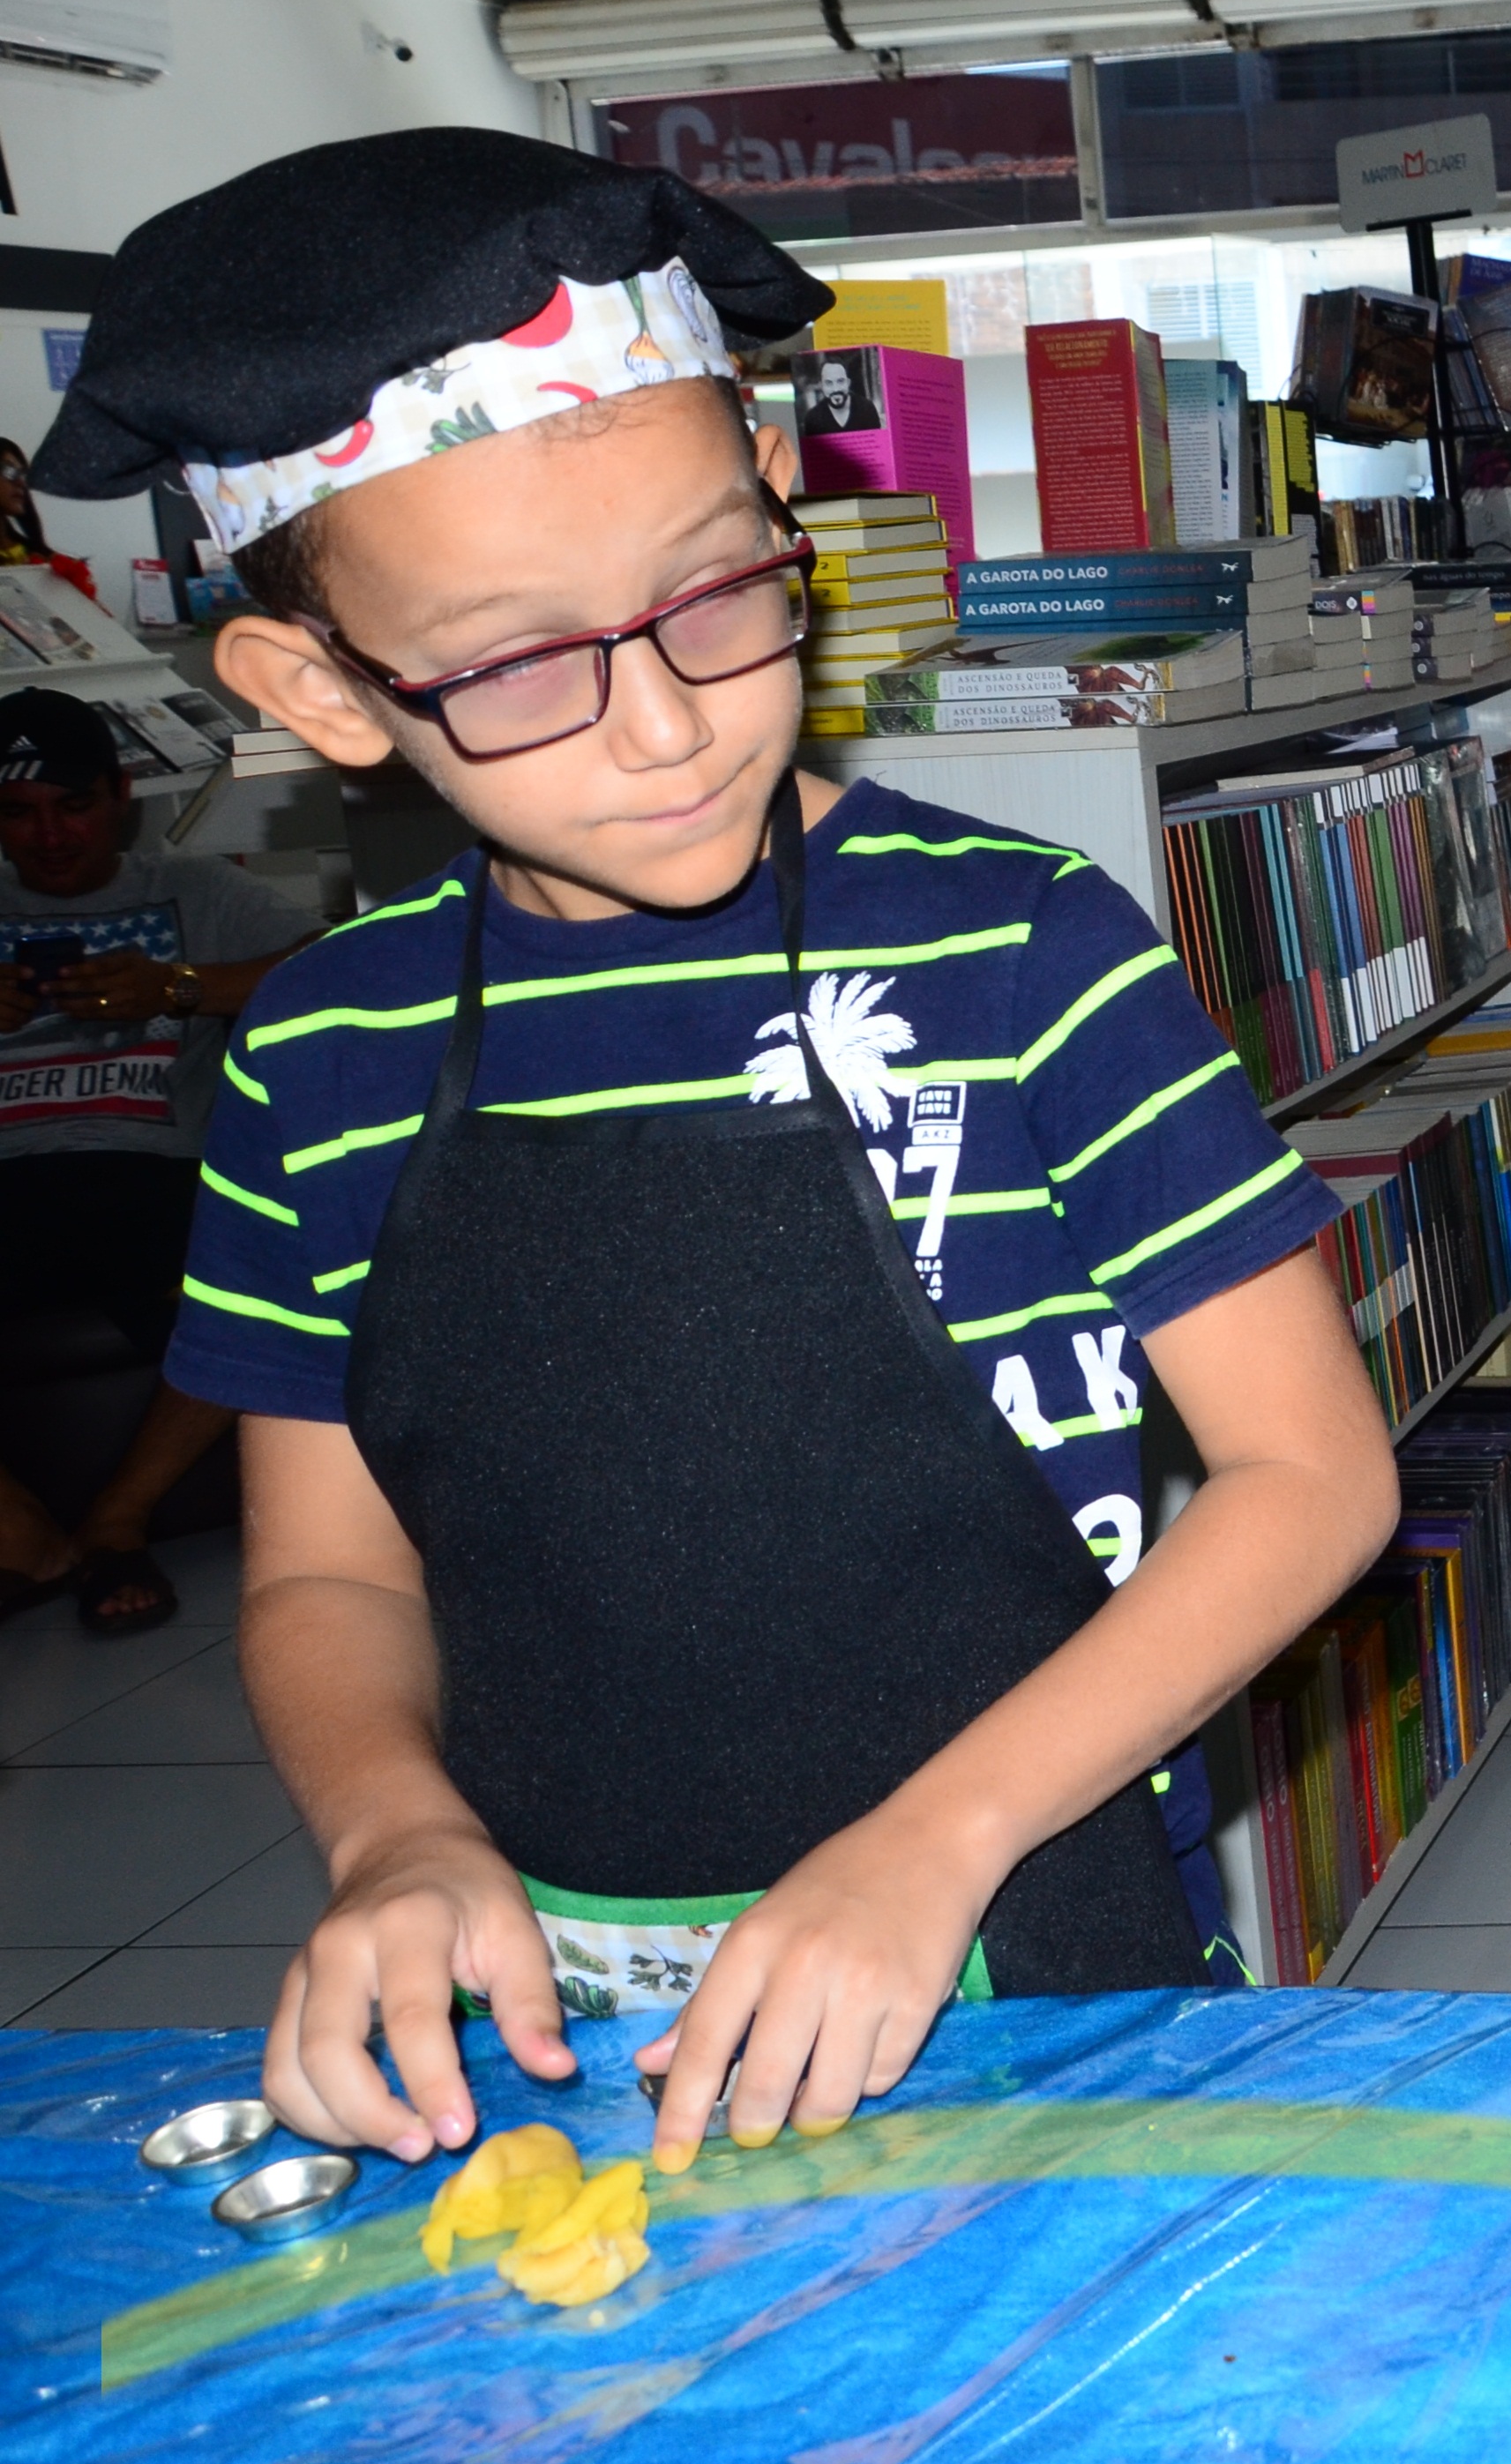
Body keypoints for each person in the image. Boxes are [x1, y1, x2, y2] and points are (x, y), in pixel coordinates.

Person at [33, 131, 1396, 2169]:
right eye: (513, 664)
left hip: (1020, 1933)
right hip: (553, 2007)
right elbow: (323, 1567)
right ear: (318, 689)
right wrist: (393, 1833)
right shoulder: (320, 1051)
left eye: (713, 594)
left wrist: (933, 1840)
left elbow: (1310, 1477)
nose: (666, 724)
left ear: (779, 499)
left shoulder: (1021, 955)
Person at [0, 686, 318, 1631]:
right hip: (11, 1177)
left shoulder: (194, 890)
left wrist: (179, 987)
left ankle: (116, 1519)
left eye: (73, 805)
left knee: (259, 1280)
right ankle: (27, 1532)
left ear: (120, 796)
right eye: (17, 812)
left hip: (153, 1172)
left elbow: (332, 966)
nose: (49, 835)